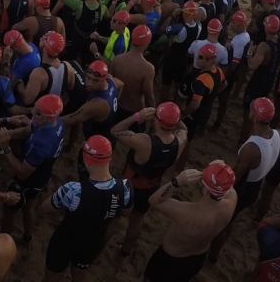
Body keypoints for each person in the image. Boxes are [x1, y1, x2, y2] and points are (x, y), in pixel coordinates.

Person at [42, 136, 132, 281]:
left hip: (65, 241)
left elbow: (46, 208)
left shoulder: (73, 190)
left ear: (87, 160)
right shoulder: (126, 188)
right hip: (93, 242)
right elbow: (125, 213)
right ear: (110, 158)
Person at [209, 97, 280, 261]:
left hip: (243, 188)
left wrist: (219, 193)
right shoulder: (277, 135)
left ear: (255, 116)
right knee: (230, 219)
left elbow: (235, 177)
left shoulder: (251, 148)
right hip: (256, 184)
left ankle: (213, 256)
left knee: (223, 223)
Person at [142, 161, 238, 282]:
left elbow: (154, 200)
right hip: (197, 259)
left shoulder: (187, 213)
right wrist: (218, 170)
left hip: (169, 262)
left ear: (205, 191)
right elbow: (226, 183)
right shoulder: (232, 200)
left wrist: (176, 182)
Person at [112, 102, 187, 256]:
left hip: (128, 186)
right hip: (150, 189)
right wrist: (173, 117)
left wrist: (137, 116)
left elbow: (115, 130)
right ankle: (125, 251)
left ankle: (99, 248)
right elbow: (184, 129)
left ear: (156, 120)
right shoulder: (180, 141)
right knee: (137, 220)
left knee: (114, 218)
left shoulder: (144, 142)